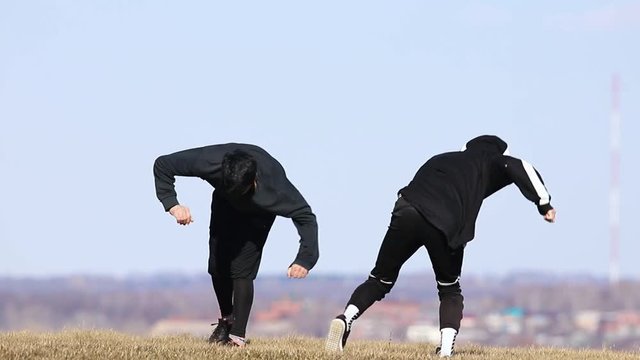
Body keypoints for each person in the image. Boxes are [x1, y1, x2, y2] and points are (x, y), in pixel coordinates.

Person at [325, 135, 556, 357]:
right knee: (449, 289)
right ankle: (445, 352)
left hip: (408, 208)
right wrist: (543, 203)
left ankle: (345, 319)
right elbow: (521, 167)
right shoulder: (491, 161)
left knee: (379, 279)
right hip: (445, 223)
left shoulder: (441, 157)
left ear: (465, 147)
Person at [153, 143, 318, 347]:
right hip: (224, 202)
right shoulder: (210, 161)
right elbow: (163, 164)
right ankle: (227, 320)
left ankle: (237, 336)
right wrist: (172, 204)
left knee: (242, 269)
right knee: (217, 264)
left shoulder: (275, 187)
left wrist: (305, 259)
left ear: (254, 180)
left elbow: (305, 216)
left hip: (259, 212)